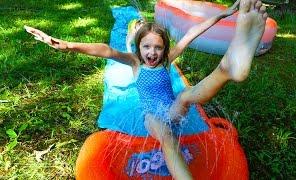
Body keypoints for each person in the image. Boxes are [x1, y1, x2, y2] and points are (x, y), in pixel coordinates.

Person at [24, 0, 268, 179]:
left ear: (165, 49)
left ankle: (227, 69)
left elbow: (192, 33)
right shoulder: (134, 62)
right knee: (168, 140)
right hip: (152, 116)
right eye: (147, 47)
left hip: (173, 111)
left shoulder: (167, 60)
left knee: (184, 96)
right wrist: (68, 45)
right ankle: (226, 70)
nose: (153, 53)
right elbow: (106, 50)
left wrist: (223, 14)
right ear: (139, 48)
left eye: (158, 48)